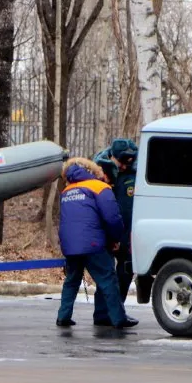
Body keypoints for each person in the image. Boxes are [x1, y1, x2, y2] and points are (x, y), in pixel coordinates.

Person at [56, 157, 138, 329]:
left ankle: (63, 316)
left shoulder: (67, 191)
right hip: (94, 245)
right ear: (93, 171)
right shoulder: (99, 187)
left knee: (71, 280)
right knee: (108, 280)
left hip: (70, 245)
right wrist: (115, 238)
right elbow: (112, 218)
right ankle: (118, 318)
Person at [109, 139, 138, 303]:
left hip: (129, 232)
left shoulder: (136, 172)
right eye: (120, 162)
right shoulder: (105, 170)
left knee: (127, 268)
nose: (124, 166)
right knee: (107, 273)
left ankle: (117, 307)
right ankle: (105, 312)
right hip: (110, 229)